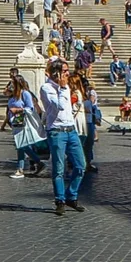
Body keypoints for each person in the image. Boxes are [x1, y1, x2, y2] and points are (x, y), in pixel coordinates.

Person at [40, 61, 87, 216]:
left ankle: (71, 196)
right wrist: (61, 88)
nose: (68, 73)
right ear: (57, 73)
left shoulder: (66, 87)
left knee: (80, 165)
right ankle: (60, 200)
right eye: (65, 71)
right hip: (56, 132)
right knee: (59, 168)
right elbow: (59, 106)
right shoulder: (46, 88)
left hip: (71, 130)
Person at [7, 76, 45, 179]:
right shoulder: (14, 95)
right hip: (16, 122)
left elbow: (30, 108)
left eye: (12, 83)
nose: (11, 85)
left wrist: (17, 110)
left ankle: (20, 169)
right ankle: (38, 163)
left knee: (20, 145)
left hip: (23, 122)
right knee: (21, 144)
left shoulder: (25, 94)